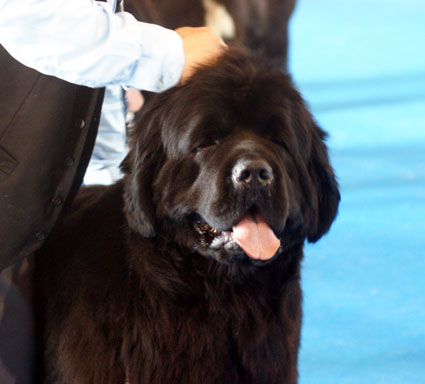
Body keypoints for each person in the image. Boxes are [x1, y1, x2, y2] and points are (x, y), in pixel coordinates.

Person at [0, 0, 225, 382]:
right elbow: (28, 15)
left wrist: (114, 193)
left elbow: (86, 82)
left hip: (30, 216)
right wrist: (168, 55)